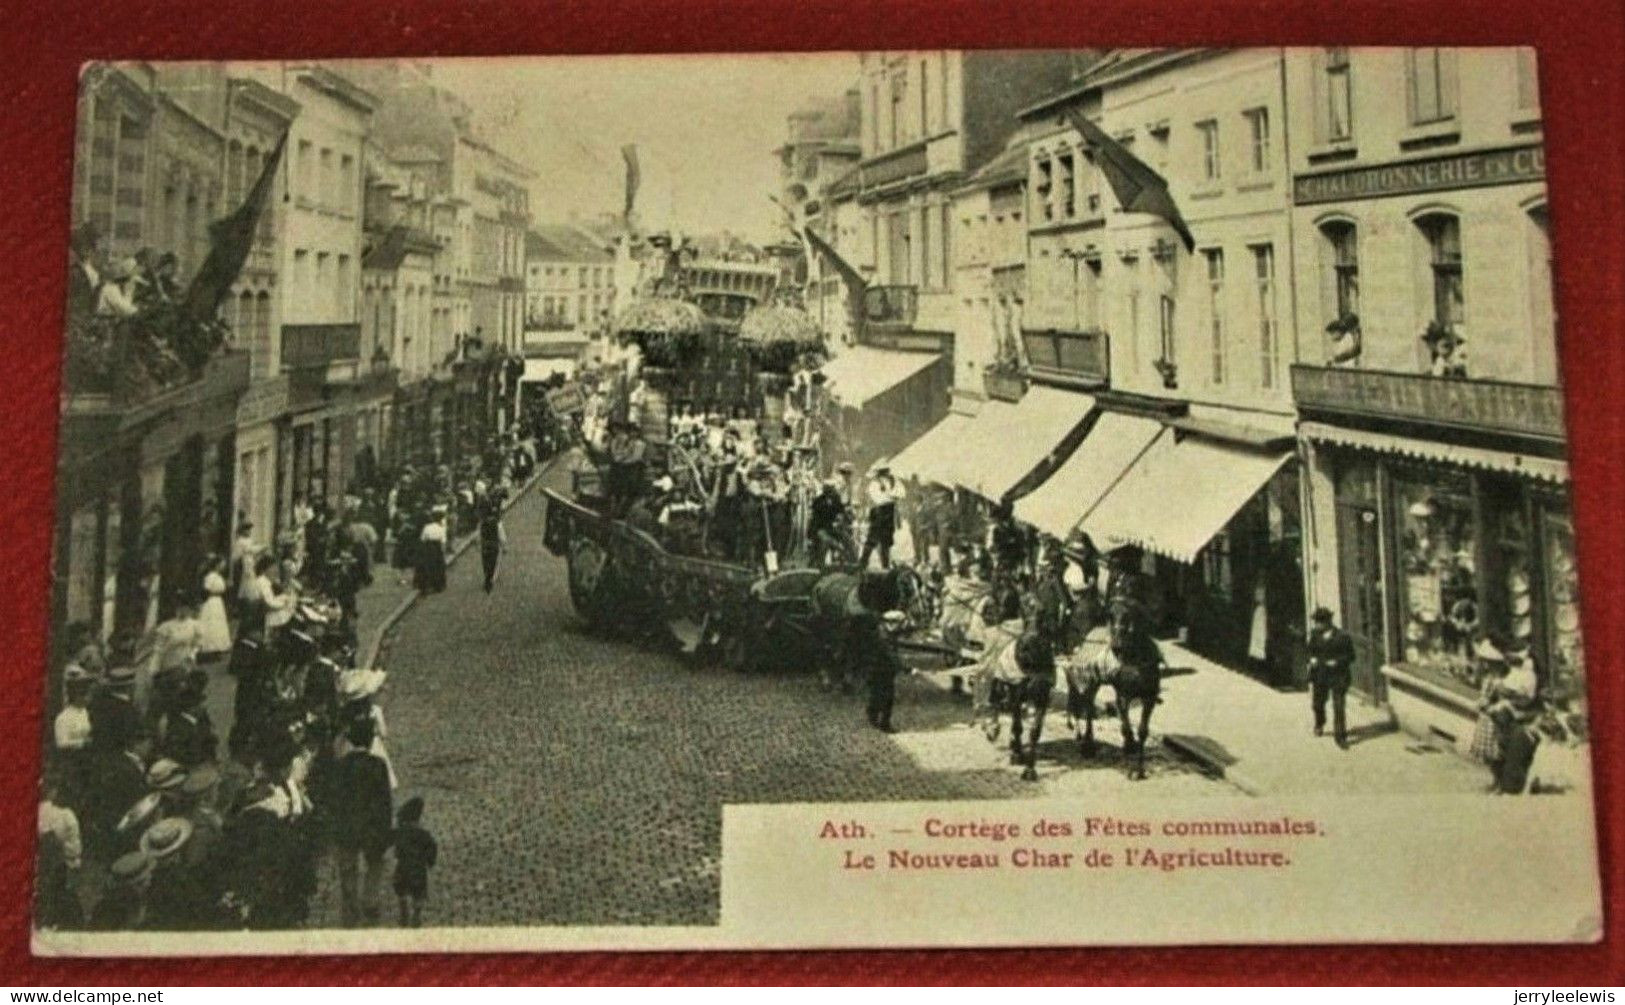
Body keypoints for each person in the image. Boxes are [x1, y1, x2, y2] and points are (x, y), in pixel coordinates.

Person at [330, 717, 394, 926]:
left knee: (348, 867)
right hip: (372, 827)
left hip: (347, 827)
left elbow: (335, 800)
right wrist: (386, 829)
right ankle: (370, 900)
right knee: (375, 864)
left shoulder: (340, 767)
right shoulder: (378, 765)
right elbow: (385, 801)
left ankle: (350, 908)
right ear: (369, 742)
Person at [37, 770, 84, 930]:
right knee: (57, 896)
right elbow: (73, 849)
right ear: (53, 791)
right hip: (57, 868)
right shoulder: (64, 816)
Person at [1306, 606, 1356, 748]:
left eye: (1320, 622)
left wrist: (1337, 661)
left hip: (1337, 676)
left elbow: (1351, 656)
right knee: (1318, 704)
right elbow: (1309, 651)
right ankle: (1319, 723)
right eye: (1316, 622)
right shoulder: (1315, 635)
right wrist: (1312, 659)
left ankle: (1340, 737)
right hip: (1320, 675)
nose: (1317, 625)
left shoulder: (1342, 637)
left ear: (1328, 622)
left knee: (1339, 706)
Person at [390, 796, 438, 928]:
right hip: (418, 869)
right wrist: (430, 861)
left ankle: (403, 910)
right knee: (418, 894)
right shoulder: (424, 834)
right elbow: (432, 848)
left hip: (403, 867)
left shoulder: (400, 832)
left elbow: (392, 842)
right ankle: (416, 914)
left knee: (401, 890)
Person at [858, 610, 909, 733]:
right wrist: (906, 668)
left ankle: (873, 715)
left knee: (877, 693)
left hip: (876, 669)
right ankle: (884, 723)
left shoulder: (881, 631)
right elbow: (891, 655)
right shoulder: (885, 636)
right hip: (881, 670)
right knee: (887, 696)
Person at [859, 465, 904, 570]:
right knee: (872, 538)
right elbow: (878, 498)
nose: (886, 474)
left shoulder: (893, 481)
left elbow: (901, 492)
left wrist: (891, 495)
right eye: (884, 472)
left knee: (886, 541)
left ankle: (885, 565)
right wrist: (891, 496)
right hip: (879, 512)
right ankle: (863, 563)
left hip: (889, 512)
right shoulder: (874, 483)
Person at [197, 556, 232, 660]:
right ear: (217, 565)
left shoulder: (219, 576)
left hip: (218, 602)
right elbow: (206, 590)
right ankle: (209, 648)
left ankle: (217, 648)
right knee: (212, 623)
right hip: (211, 602)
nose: (223, 566)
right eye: (222, 564)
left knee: (218, 623)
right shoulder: (211, 576)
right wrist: (215, 592)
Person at [477, 493, 507, 594]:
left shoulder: (483, 523)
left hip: (485, 545)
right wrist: (504, 545)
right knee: (494, 562)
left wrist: (479, 544)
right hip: (494, 545)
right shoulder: (496, 522)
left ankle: (487, 577)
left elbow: (479, 536)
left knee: (485, 562)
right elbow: (501, 535)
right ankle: (491, 578)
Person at [416, 506, 449, 594]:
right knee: (438, 567)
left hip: (428, 547)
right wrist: (443, 552)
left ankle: (427, 585)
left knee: (428, 566)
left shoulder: (427, 527)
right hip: (437, 547)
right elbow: (443, 542)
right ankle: (438, 586)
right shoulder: (441, 528)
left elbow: (423, 538)